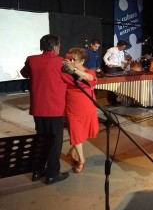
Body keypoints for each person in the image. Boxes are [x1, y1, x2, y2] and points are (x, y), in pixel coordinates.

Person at [20, 34, 70, 185]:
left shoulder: (32, 59)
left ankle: (37, 171)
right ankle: (52, 174)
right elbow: (71, 79)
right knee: (55, 142)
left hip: (38, 108)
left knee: (41, 140)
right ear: (55, 47)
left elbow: (24, 73)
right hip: (54, 109)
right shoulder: (60, 62)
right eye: (59, 46)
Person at [63, 47, 99, 174]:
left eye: (75, 60)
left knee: (83, 132)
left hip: (88, 106)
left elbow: (89, 78)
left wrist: (74, 69)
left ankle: (71, 151)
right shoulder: (65, 72)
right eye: (70, 59)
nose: (71, 62)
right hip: (73, 106)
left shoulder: (89, 72)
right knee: (76, 132)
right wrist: (70, 69)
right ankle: (82, 160)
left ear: (82, 61)